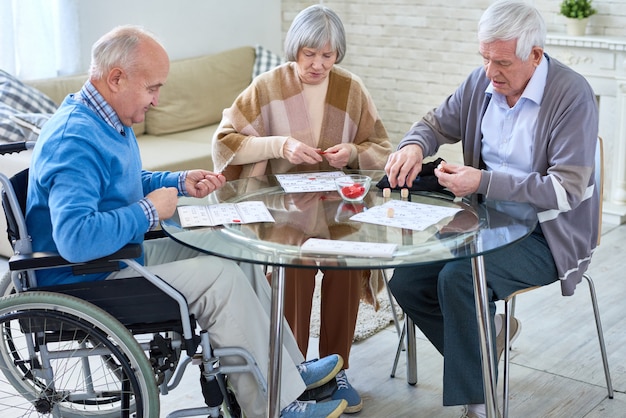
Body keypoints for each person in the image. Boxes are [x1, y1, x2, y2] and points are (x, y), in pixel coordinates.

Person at [25, 25, 349, 418]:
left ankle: (287, 371)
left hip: (114, 256)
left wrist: (177, 181)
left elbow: (119, 185)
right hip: (85, 277)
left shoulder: (105, 119)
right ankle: (274, 407)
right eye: (153, 88)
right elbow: (76, 239)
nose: (157, 101)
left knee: (233, 247)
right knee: (220, 277)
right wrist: (148, 211)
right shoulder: (75, 139)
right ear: (116, 78)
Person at [383, 1, 599, 417]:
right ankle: (490, 337)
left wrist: (482, 182)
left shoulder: (572, 95)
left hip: (547, 234)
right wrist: (413, 145)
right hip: (482, 224)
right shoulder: (481, 85)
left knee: (459, 280)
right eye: (484, 58)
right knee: (407, 281)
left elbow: (566, 190)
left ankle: (478, 403)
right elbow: (433, 123)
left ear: (535, 55)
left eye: (501, 61)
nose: (490, 72)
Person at [212, 4, 391, 413]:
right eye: (310, 54)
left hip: (339, 211)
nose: (318, 64)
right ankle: (295, 373)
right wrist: (280, 145)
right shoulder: (266, 86)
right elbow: (226, 141)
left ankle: (337, 368)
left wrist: (352, 152)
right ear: (295, 49)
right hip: (283, 210)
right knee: (296, 272)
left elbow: (380, 147)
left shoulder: (351, 88)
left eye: (328, 56)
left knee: (345, 269)